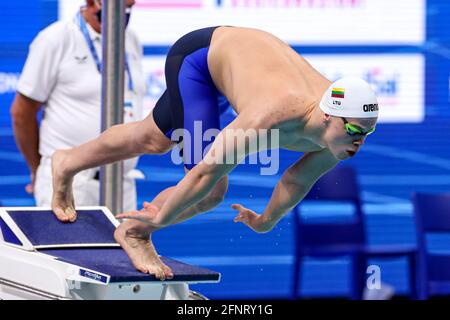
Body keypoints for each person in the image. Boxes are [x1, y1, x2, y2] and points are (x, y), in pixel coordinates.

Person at [50, 26, 379, 280]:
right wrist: (160, 218)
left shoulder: (339, 138)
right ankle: (135, 231)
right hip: (198, 59)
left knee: (150, 137)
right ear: (327, 115)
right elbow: (206, 171)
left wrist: (266, 221)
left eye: (368, 131)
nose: (360, 141)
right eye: (355, 130)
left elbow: (296, 179)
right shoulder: (270, 115)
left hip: (235, 61)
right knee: (210, 192)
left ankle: (66, 162)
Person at [10, 0, 146, 211]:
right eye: (121, 7)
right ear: (93, 3)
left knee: (121, 245)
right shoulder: (56, 39)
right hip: (73, 183)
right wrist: (41, 168)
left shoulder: (131, 40)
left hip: (123, 183)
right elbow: (22, 113)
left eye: (129, 8)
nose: (125, 14)